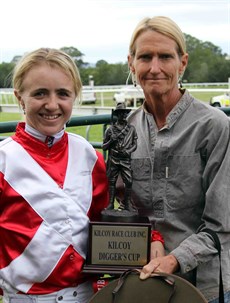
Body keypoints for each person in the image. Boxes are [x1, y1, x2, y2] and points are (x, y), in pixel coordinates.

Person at [123, 16, 230, 302]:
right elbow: (121, 209)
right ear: (132, 63)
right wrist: (147, 240)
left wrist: (174, 259)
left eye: (165, 57)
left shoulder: (213, 126)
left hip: (201, 287)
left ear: (182, 63)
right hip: (141, 281)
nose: (154, 67)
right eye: (145, 57)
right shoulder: (124, 130)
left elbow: (222, 224)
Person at [0, 48, 109, 303]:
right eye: (40, 93)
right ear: (20, 98)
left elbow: (105, 218)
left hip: (87, 296)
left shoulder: (88, 154)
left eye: (62, 94)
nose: (52, 105)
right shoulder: (4, 160)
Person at [102, 102, 138, 212]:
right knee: (111, 181)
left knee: (129, 181)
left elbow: (135, 144)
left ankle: (127, 204)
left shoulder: (131, 129)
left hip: (125, 159)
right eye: (121, 113)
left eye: (124, 113)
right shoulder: (110, 130)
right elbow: (104, 147)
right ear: (117, 115)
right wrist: (111, 141)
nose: (123, 116)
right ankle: (111, 204)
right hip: (114, 159)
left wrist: (128, 151)